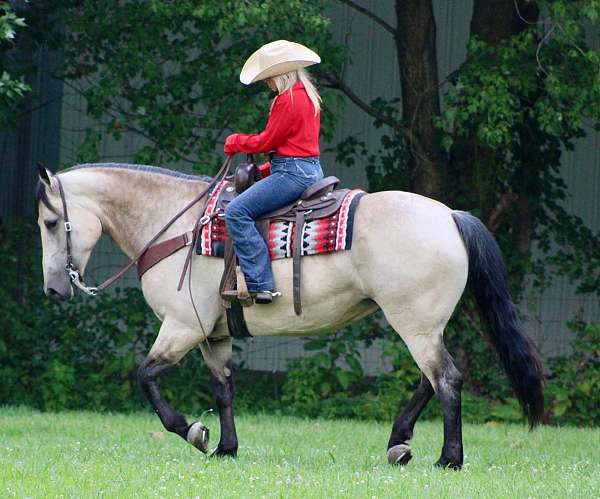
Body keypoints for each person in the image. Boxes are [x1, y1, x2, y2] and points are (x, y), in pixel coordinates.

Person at [223, 40, 324, 304]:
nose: (267, 84)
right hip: (309, 169)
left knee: (236, 211)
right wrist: (266, 168)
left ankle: (260, 283)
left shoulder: (287, 100)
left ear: (280, 75)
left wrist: (235, 141)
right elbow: (297, 146)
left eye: (268, 78)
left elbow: (267, 141)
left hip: (293, 174)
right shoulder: (308, 95)